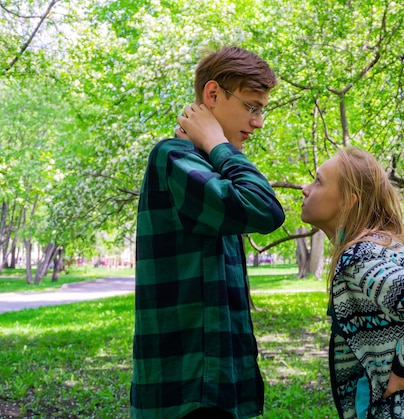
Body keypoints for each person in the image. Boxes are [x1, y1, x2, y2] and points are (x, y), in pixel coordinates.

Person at [131, 46, 285, 419]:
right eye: (252, 106)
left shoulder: (212, 171)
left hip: (214, 386)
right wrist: (216, 142)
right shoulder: (174, 158)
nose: (258, 122)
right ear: (213, 95)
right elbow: (266, 209)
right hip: (189, 389)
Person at [300, 146, 404, 419]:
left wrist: (403, 370)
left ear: (348, 201)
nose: (305, 189)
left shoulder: (360, 259)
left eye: (318, 181)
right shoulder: (390, 246)